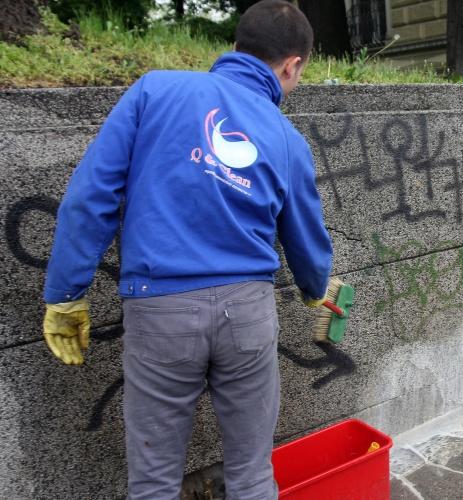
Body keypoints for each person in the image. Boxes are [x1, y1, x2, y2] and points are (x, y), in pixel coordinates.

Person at [40, 1, 333, 497]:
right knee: (252, 473)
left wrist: (67, 294)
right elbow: (305, 235)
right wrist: (314, 288)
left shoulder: (155, 90)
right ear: (293, 65)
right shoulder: (286, 137)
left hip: (160, 310)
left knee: (154, 481)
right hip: (248, 314)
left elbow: (91, 197)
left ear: (236, 46)